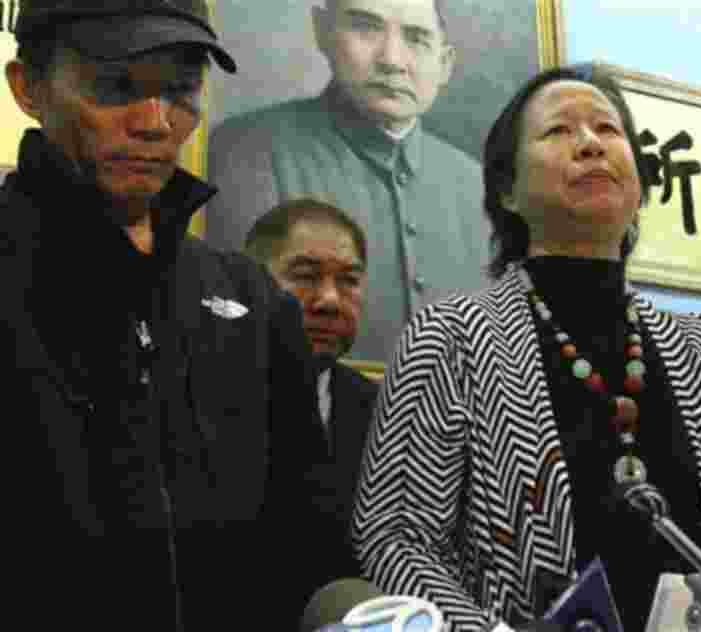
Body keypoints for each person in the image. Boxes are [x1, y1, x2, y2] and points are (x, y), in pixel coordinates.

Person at [351, 64, 701, 631]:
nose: (591, 143)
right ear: (507, 190)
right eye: (559, 132)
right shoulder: (451, 336)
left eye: (608, 129)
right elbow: (395, 536)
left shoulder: (698, 347)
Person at [1, 1, 337, 629]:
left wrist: (361, 608)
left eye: (180, 89)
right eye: (115, 86)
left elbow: (308, 532)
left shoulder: (252, 300)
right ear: (29, 88)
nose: (155, 122)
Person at [205, 0, 490, 364]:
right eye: (367, 27)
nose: (392, 60)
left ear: (445, 63)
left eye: (417, 38)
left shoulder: (476, 185)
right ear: (322, 31)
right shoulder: (246, 151)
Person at [245, 197, 379, 579]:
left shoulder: (382, 411)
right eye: (305, 276)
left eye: (349, 280)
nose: (330, 301)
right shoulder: (207, 390)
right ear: (251, 280)